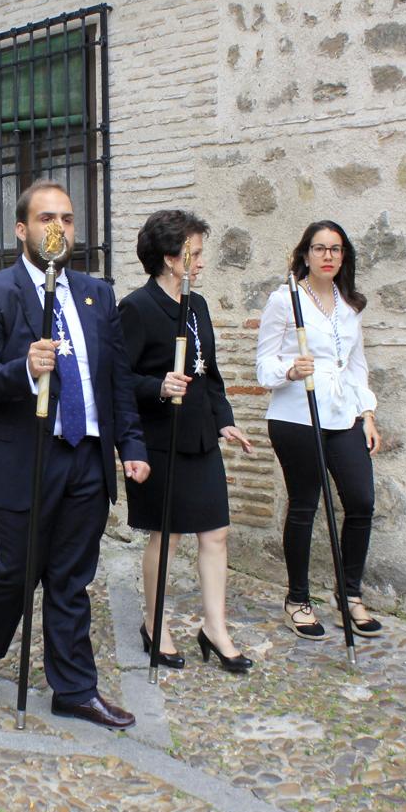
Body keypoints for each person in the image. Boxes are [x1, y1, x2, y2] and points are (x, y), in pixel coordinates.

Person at [0, 180, 150, 730]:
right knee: (17, 570)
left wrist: (130, 446)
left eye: (66, 216)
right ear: (22, 229)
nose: (57, 227)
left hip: (85, 455)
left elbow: (115, 381)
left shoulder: (97, 293)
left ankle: (74, 688)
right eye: (45, 218)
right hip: (22, 457)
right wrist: (24, 369)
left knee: (71, 578)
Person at [118, 210, 256, 673]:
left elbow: (208, 373)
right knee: (169, 534)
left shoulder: (196, 306)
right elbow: (118, 379)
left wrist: (224, 420)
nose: (200, 262)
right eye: (193, 253)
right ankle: (154, 623)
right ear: (168, 258)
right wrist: (158, 385)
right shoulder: (136, 307)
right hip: (158, 438)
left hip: (200, 438)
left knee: (215, 533)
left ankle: (215, 628)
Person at [255, 220, 383, 640]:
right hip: (297, 415)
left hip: (344, 415)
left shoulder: (349, 305)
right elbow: (263, 366)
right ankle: (298, 599)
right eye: (319, 248)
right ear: (305, 254)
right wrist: (290, 369)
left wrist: (367, 413)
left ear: (343, 256)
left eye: (336, 249)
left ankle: (349, 595)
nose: (328, 256)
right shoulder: (285, 300)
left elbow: (357, 364)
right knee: (306, 505)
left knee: (361, 500)